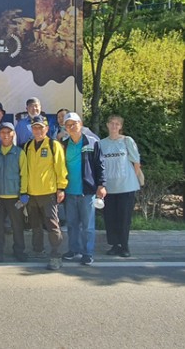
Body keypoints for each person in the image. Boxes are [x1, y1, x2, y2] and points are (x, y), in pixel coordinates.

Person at [61, 112, 107, 266]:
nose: (71, 127)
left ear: (80, 124)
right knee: (72, 224)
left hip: (87, 191)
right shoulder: (63, 144)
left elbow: (100, 165)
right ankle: (73, 250)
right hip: (69, 191)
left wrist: (102, 184)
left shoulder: (92, 142)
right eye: (68, 125)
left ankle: (87, 253)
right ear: (65, 128)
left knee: (87, 226)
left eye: (74, 124)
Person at [24, 115, 68, 270]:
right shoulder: (27, 146)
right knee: (35, 225)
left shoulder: (53, 145)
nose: (37, 130)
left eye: (40, 127)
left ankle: (56, 256)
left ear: (47, 128)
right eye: (35, 127)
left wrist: (61, 188)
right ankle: (38, 250)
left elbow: (60, 168)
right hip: (31, 193)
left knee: (52, 225)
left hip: (48, 193)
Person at [100, 114, 142, 258]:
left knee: (124, 218)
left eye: (117, 124)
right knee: (110, 218)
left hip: (126, 187)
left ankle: (124, 246)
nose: (114, 126)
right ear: (107, 125)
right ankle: (114, 245)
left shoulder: (127, 141)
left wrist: (131, 178)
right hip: (109, 188)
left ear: (121, 126)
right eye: (111, 123)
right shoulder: (101, 143)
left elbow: (136, 162)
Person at [0, 122, 29, 262]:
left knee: (17, 226)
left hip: (15, 197)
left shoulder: (19, 152)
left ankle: (19, 251)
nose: (6, 135)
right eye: (2, 132)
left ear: (13, 134)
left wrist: (24, 194)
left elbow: (24, 174)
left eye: (9, 132)